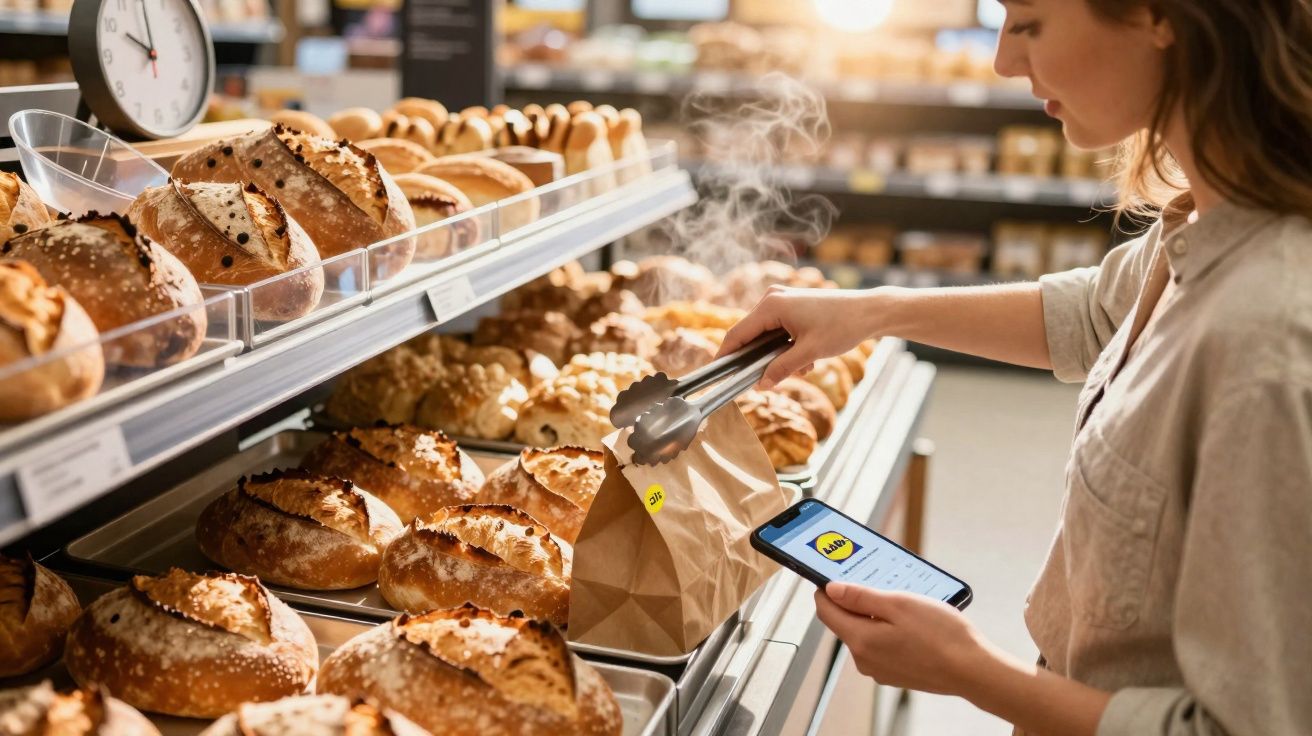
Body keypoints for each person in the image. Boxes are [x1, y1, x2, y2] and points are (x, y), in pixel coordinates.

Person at [718, 0, 1312, 733]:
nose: (1002, 60)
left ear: (1162, 16)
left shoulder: (1271, 344)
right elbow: (1098, 313)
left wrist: (971, 671)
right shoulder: (1210, 221)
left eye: (1029, 21)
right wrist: (870, 312)